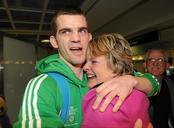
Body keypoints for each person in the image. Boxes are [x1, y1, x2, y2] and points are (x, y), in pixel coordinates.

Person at [14, 7, 159, 128]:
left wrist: (131, 81)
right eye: (66, 32)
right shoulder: (44, 86)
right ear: (54, 42)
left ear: (89, 37)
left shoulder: (103, 72)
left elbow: (155, 83)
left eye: (81, 30)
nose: (76, 38)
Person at [81, 33, 150, 128]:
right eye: (85, 61)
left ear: (116, 66)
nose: (85, 67)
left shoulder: (103, 105)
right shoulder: (138, 93)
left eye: (94, 62)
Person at [143, 48, 174, 128]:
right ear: (145, 64)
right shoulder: (136, 87)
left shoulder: (171, 83)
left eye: (160, 60)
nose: (155, 63)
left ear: (167, 65)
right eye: (151, 59)